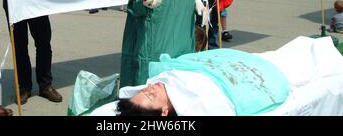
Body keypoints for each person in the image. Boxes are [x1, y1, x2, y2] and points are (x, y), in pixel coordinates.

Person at [116, 48, 290, 116]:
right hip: (224, 84)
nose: (150, 87)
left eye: (144, 90)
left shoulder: (164, 80)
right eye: (150, 95)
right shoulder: (194, 106)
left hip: (202, 68)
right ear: (164, 111)